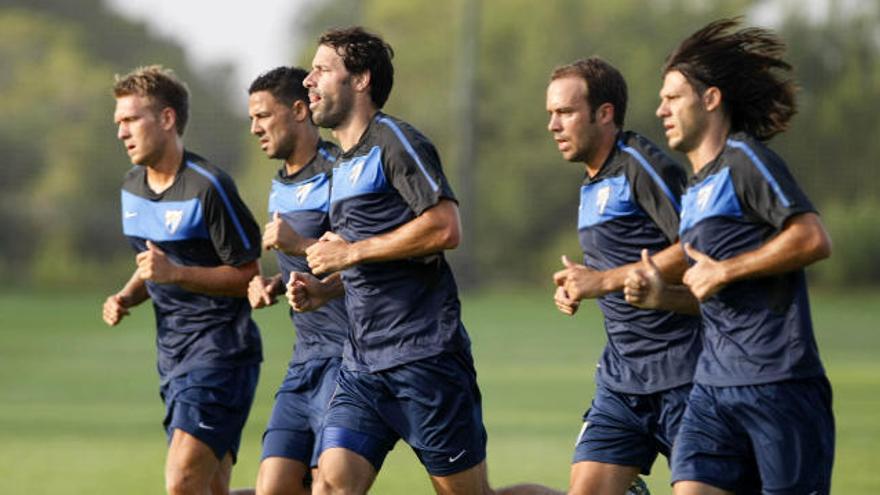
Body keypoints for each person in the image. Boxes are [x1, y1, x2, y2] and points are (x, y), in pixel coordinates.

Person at [292, 26, 549, 495]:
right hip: (362, 365)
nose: (308, 81)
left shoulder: (395, 141)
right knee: (329, 485)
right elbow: (376, 260)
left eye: (322, 70)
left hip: (424, 359)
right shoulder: (343, 165)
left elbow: (444, 227)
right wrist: (325, 287)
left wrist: (350, 251)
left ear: (361, 80)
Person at [625, 18, 834, 494]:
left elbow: (812, 238)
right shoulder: (696, 189)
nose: (660, 110)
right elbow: (716, 294)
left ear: (711, 99)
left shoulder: (744, 158)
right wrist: (664, 296)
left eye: (673, 97)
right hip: (713, 387)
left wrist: (726, 268)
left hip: (780, 385)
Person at [102, 65, 263, 495]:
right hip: (173, 357)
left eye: (131, 119)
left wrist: (177, 274)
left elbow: (249, 275)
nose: (121, 133)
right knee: (209, 489)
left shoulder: (209, 187)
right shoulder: (131, 187)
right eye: (119, 122)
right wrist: (127, 295)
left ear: (167, 119)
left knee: (181, 482)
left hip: (222, 354)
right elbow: (151, 263)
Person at [545, 57, 701, 495]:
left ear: (605, 113)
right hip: (621, 380)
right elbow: (624, 261)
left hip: (686, 374)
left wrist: (603, 281)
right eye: (551, 115)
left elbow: (696, 247)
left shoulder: (640, 164)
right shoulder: (591, 182)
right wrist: (580, 283)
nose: (554, 125)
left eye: (566, 112)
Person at [243, 66, 349, 495]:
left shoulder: (339, 173)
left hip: (348, 358)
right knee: (274, 486)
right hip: (304, 357)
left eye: (264, 116)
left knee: (329, 484)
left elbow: (362, 263)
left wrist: (298, 245)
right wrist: (273, 282)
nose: (255, 128)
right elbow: (302, 261)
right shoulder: (281, 182)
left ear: (300, 110)